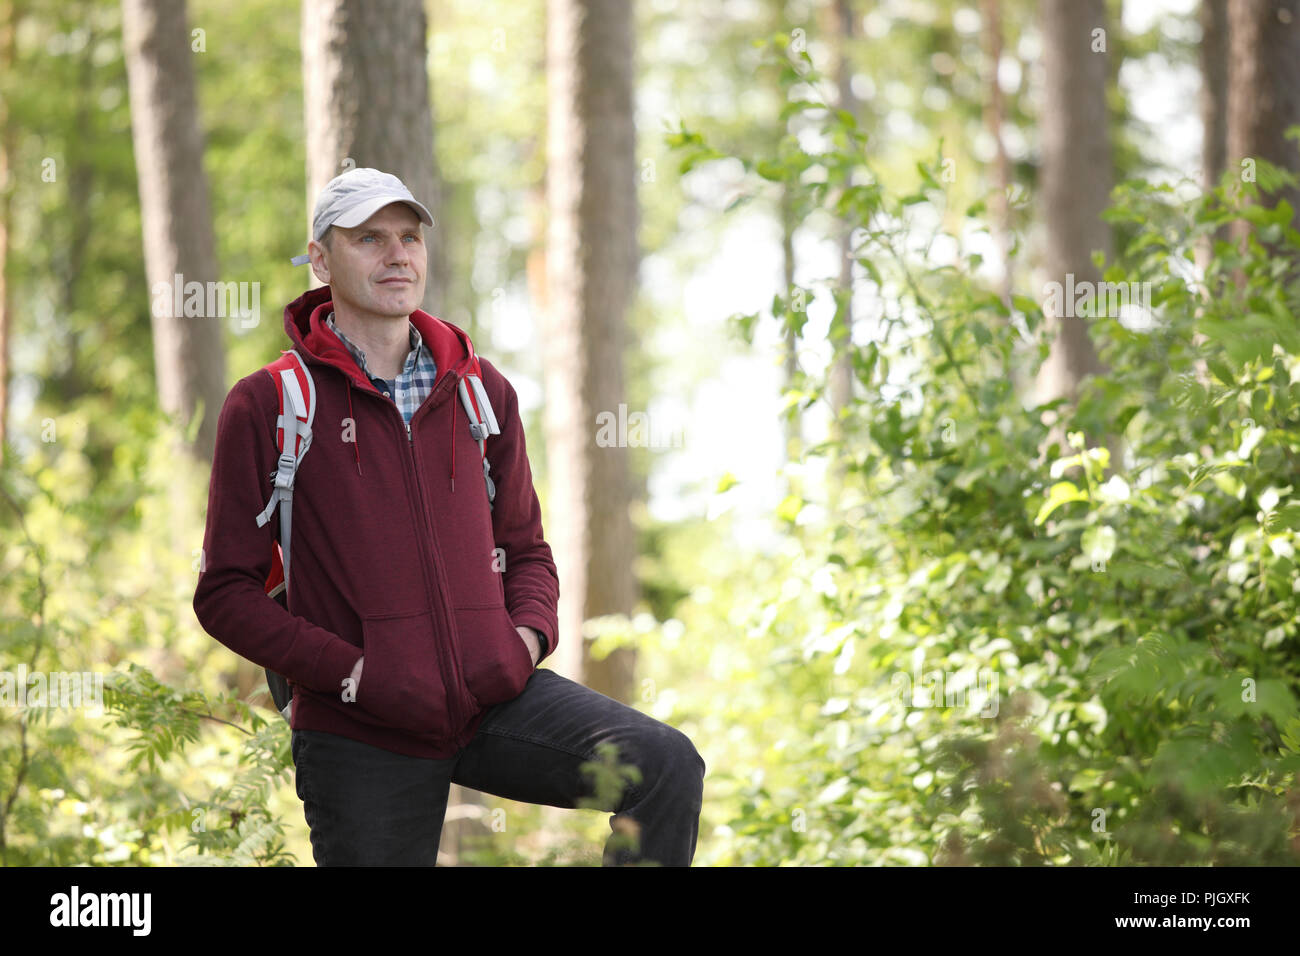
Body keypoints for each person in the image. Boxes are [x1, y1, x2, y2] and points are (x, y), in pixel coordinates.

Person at [192, 166, 705, 865]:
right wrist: (357, 674)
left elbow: (527, 551)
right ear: (320, 258)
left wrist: (521, 643)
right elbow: (224, 595)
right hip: (360, 727)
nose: (397, 254)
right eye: (369, 238)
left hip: (492, 701)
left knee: (665, 766)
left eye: (409, 237)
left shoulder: (481, 391)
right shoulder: (271, 404)